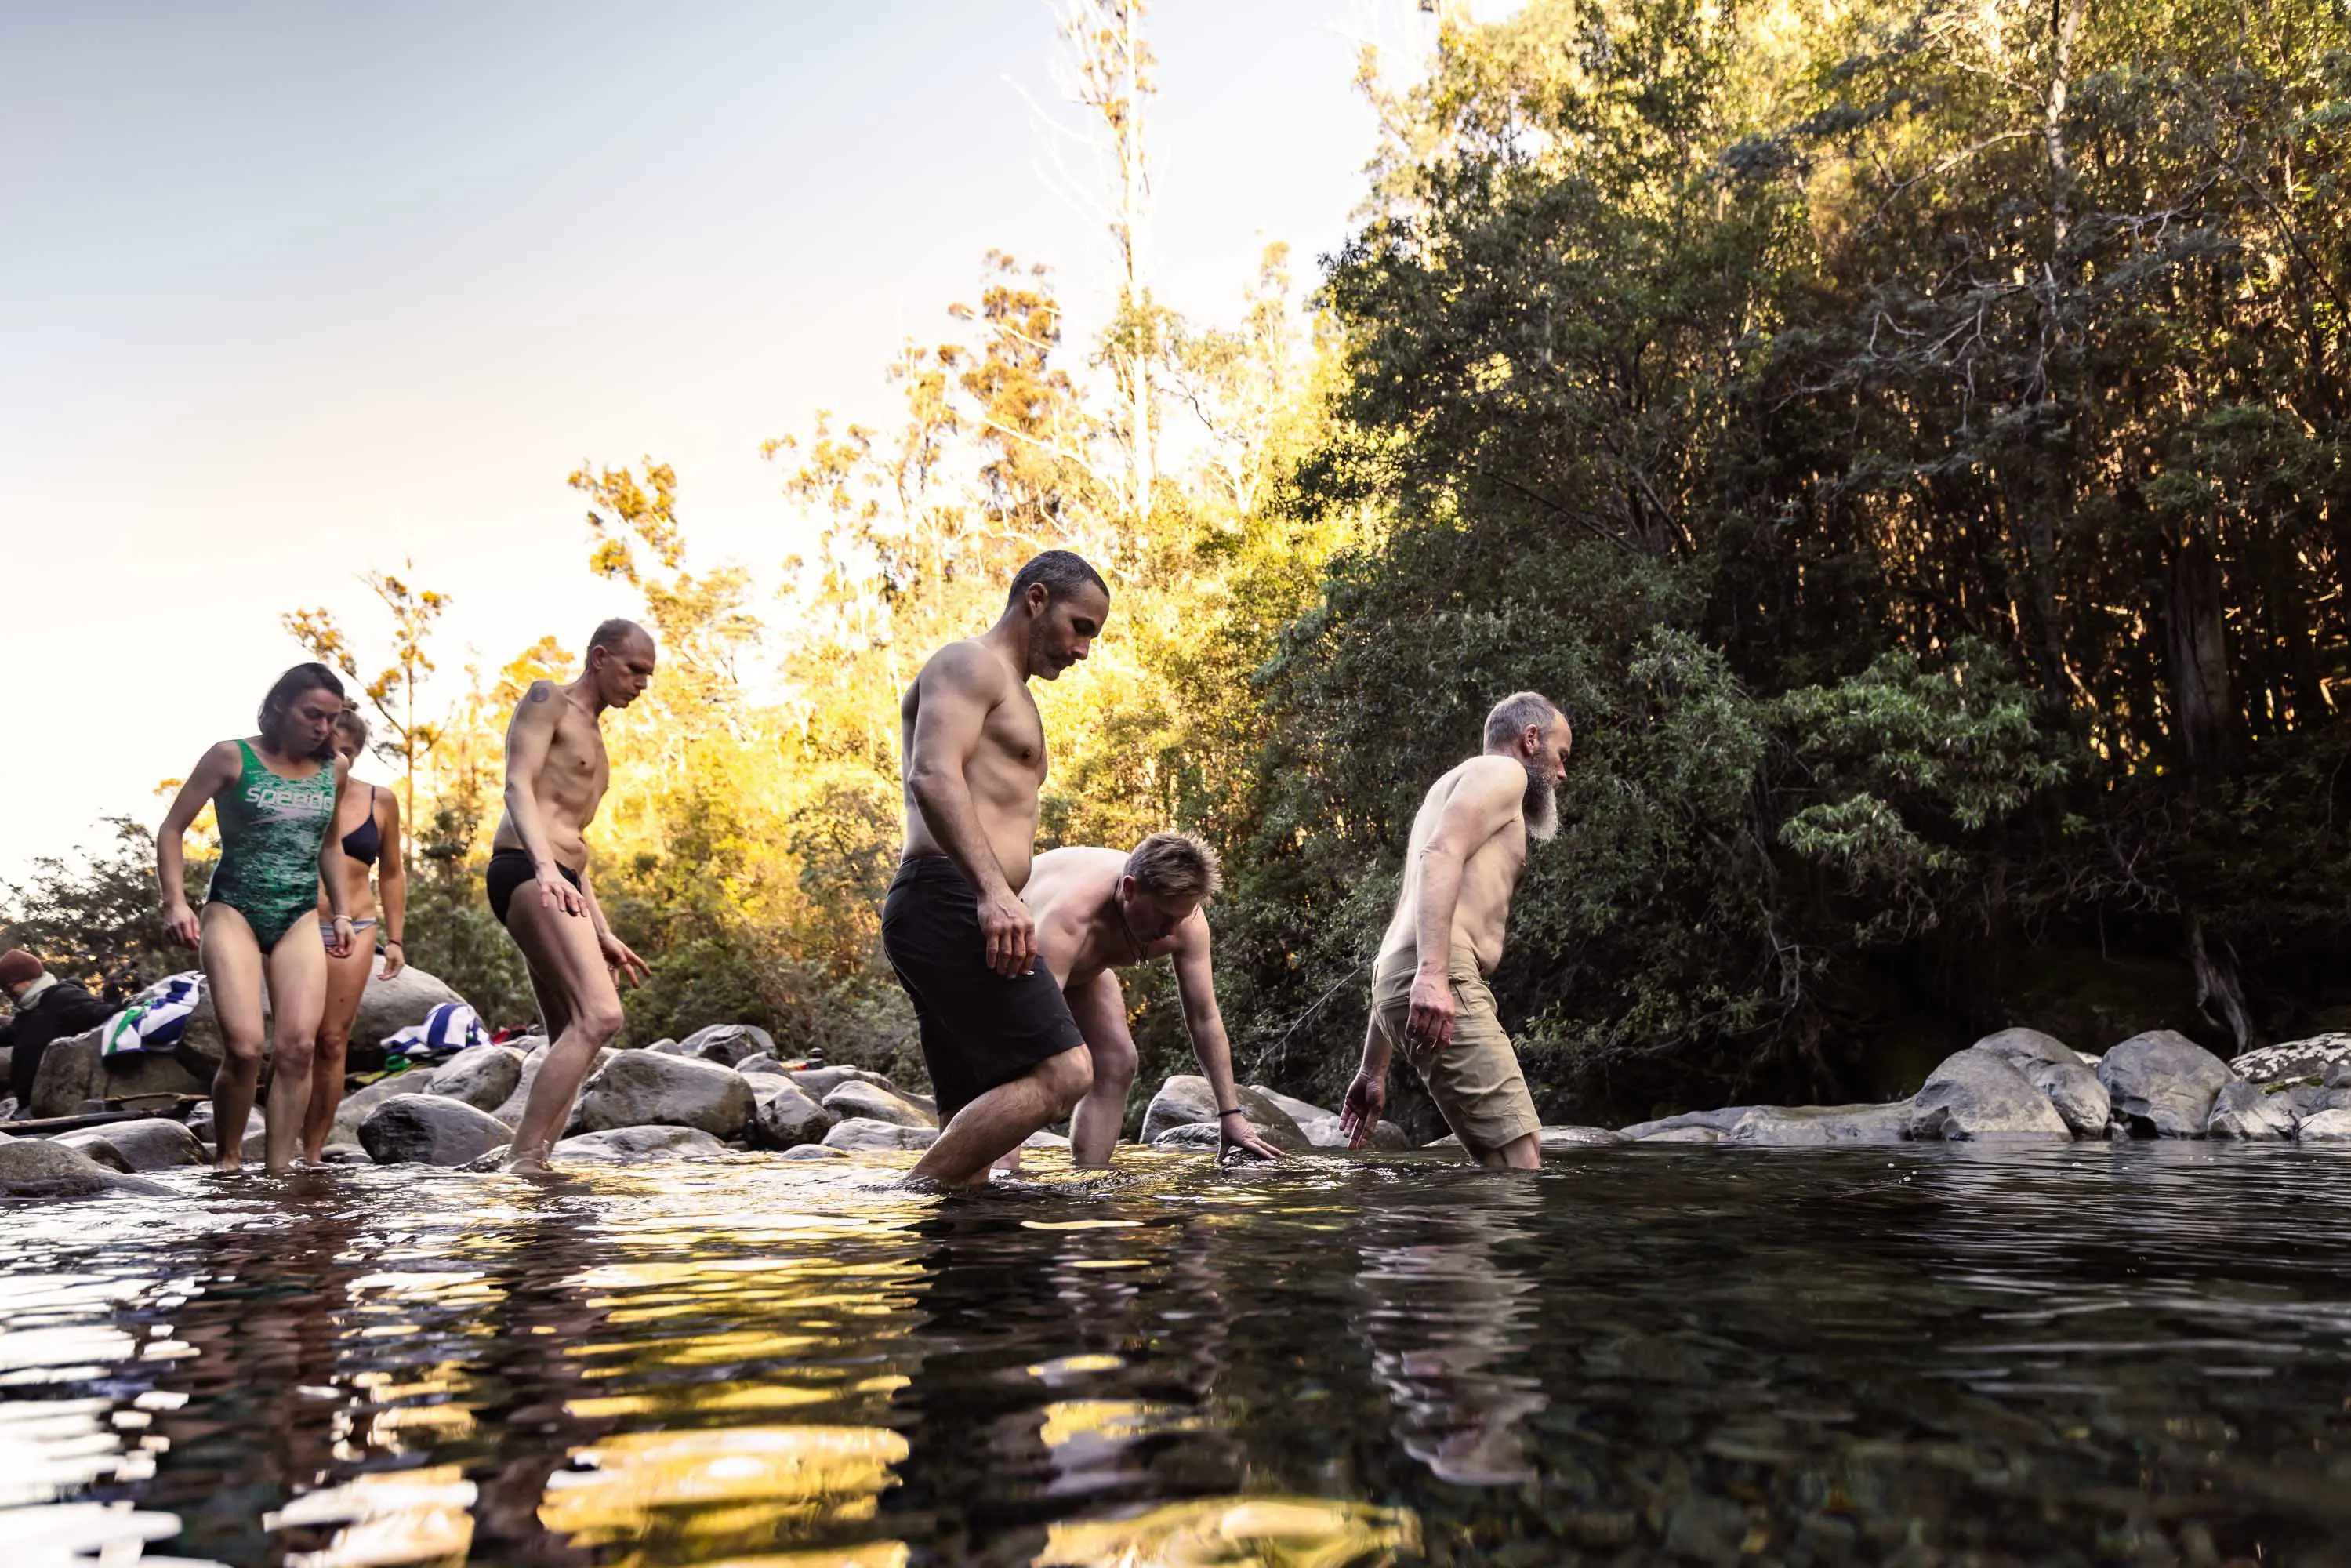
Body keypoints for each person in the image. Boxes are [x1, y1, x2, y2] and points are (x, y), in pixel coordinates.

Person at [883, 550, 1111, 1187]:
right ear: (1035, 599)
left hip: (960, 904)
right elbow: (931, 774)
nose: (1084, 650)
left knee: (970, 1143)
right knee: (1066, 1072)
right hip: (950, 897)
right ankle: (901, 1202)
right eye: (1080, 626)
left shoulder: (1013, 694)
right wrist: (992, 892)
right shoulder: (968, 663)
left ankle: (962, 1273)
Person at [1338, 691, 1574, 1171]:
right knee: (1519, 1169)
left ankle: (1409, 1241)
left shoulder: (1444, 791)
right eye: (1561, 756)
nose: (1563, 773)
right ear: (1531, 739)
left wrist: (1373, 1066)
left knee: (1504, 1167)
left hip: (1407, 974)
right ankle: (1406, 1244)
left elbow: (1400, 935)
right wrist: (1433, 976)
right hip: (1441, 970)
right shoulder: (1502, 772)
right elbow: (1439, 856)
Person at [157, 662, 359, 1171]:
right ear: (278, 708)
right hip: (233, 910)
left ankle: (279, 1175)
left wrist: (340, 912)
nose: (321, 727)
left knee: (297, 1048)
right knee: (246, 1048)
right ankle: (227, 1162)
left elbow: (330, 844)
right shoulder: (232, 757)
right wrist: (175, 902)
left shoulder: (332, 768)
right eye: (312, 714)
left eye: (330, 719)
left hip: (298, 915)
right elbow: (172, 830)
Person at [491, 619, 655, 1173]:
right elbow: (517, 784)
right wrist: (543, 870)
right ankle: (523, 1161)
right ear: (600, 657)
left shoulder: (599, 735)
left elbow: (575, 847)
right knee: (602, 1016)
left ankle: (540, 1162)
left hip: (562, 878)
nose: (642, 684)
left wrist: (601, 930)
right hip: (525, 869)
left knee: (572, 1033)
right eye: (635, 670)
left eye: (648, 676)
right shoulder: (547, 698)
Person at [1021, 833, 1283, 1166]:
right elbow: (1024, 1036)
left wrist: (1230, 1114)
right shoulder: (1071, 917)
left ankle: (1090, 1181)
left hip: (1084, 967)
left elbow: (1204, 1018)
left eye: (1181, 917)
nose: (1171, 931)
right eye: (1163, 916)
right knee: (1042, 1063)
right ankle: (996, 1175)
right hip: (1008, 953)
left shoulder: (1187, 920)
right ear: (1128, 889)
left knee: (1117, 1061)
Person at [304, 707, 408, 1162]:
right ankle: (277, 1146)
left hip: (359, 926)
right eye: (328, 751)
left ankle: (311, 1154)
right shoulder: (297, 793)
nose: (336, 761)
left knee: (331, 1041)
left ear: (357, 752)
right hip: (297, 924)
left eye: (345, 752)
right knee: (295, 1040)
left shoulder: (379, 800)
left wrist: (398, 940)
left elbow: (392, 873)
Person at [2, 948, 114, 1108]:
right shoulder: (30, 1009)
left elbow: (104, 1015)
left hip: (62, 1104)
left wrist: (120, 1004)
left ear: (28, 978)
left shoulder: (64, 998)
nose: (8, 993)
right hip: (33, 1104)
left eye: (9, 986)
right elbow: (12, 1033)